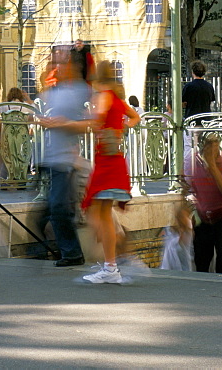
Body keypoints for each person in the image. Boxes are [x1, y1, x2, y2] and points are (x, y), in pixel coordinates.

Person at [81, 60, 140, 284]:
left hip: (106, 161)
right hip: (115, 159)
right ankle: (111, 264)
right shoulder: (117, 98)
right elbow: (136, 118)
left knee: (96, 213)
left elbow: (96, 122)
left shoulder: (103, 97)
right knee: (102, 213)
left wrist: (80, 120)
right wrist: (120, 128)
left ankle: (110, 263)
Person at [36, 49, 92, 268]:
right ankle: (58, 249)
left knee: (59, 207)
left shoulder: (80, 90)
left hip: (66, 159)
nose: (56, 67)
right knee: (48, 210)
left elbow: (90, 124)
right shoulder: (55, 90)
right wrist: (44, 120)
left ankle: (72, 252)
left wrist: (63, 123)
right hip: (51, 157)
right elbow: (44, 99)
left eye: (60, 64)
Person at [188, 132, 222, 273]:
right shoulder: (192, 161)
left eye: (216, 144)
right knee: (201, 262)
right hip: (202, 219)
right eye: (209, 144)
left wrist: (213, 167)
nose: (213, 148)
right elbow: (186, 188)